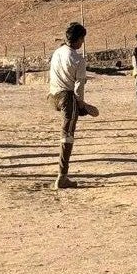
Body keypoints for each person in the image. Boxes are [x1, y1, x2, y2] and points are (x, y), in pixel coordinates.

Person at [48, 23, 99, 190]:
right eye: (82, 39)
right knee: (67, 137)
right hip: (68, 98)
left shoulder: (57, 52)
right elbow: (78, 87)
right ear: (78, 39)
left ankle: (63, 175)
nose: (82, 43)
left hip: (53, 96)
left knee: (67, 133)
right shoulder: (78, 60)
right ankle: (62, 176)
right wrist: (82, 104)